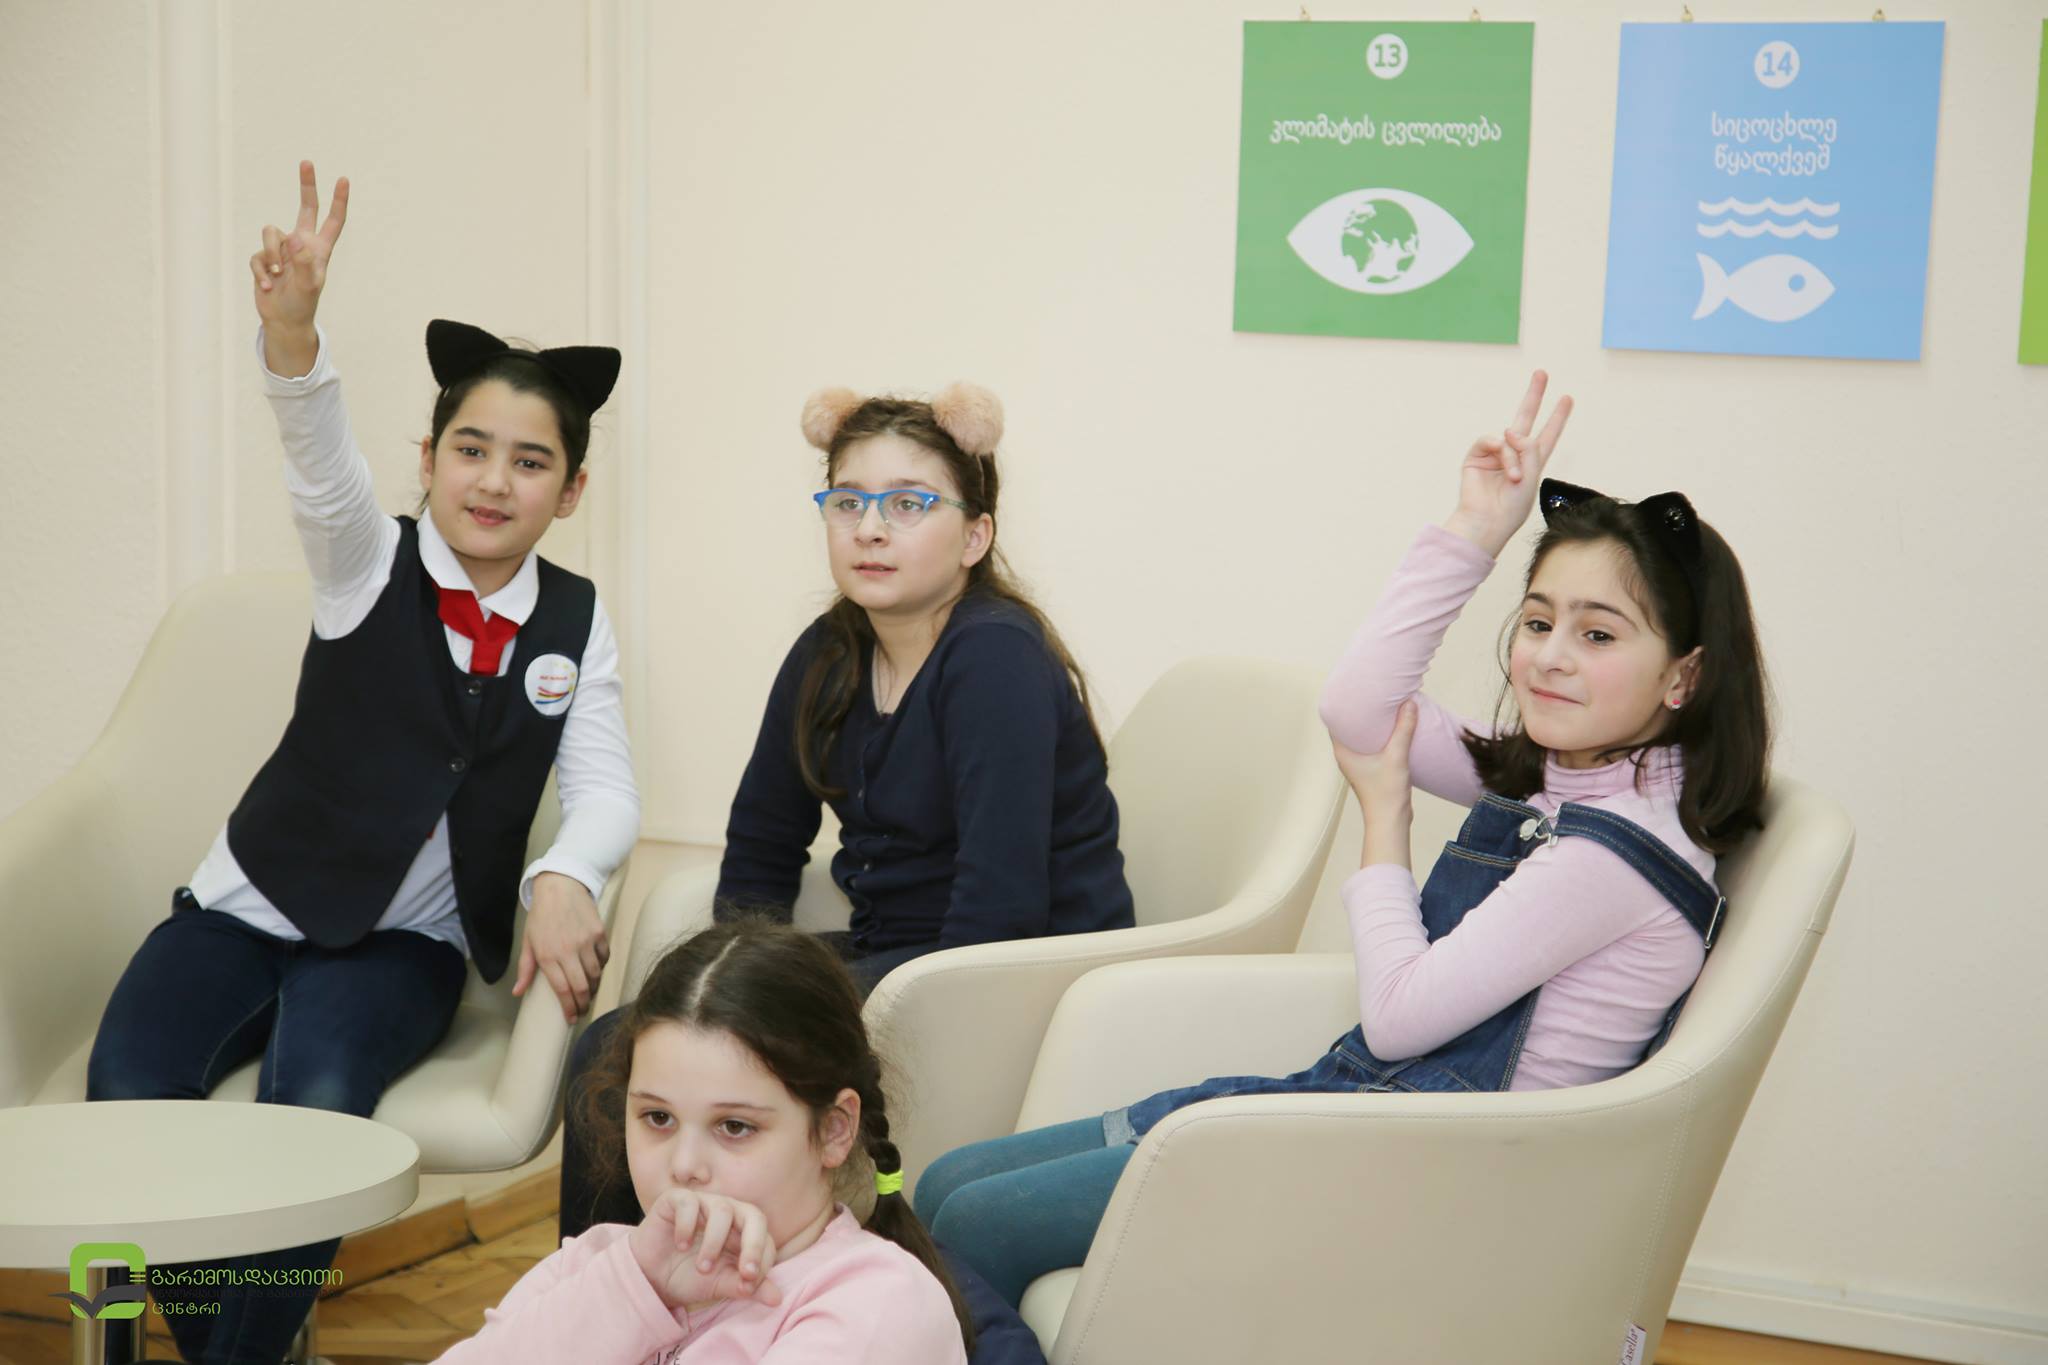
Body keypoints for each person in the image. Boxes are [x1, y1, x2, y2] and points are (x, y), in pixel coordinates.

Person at [914, 372, 1772, 1306]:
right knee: (948, 1181)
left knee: (977, 1220)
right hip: (1365, 1121)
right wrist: (1474, 529)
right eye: (1537, 620)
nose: (1550, 655)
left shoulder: (1608, 856)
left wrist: (1385, 819)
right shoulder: (1562, 780)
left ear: (1683, 678)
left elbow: (1397, 1016)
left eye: (1599, 635)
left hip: (1425, 1182)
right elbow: (1360, 710)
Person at [84, 161, 639, 1363]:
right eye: (470, 449)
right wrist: (293, 336)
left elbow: (603, 789)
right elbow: (318, 460)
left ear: (570, 490)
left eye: (529, 461)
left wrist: (566, 875)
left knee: (320, 1106)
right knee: (126, 1085)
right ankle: (203, 1349)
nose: (493, 480)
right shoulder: (361, 563)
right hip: (250, 903)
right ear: (428, 457)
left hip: (404, 945)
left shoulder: (577, 620)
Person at [560, 383, 1133, 1239]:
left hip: (1011, 972)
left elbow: (1000, 908)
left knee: (725, 1061)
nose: (870, 527)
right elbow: (762, 845)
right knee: (613, 1048)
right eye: (848, 501)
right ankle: (617, 1287)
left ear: (976, 535)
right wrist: (733, 975)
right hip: (894, 956)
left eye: (909, 503)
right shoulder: (830, 649)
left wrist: (768, 1005)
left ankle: (725, 1273)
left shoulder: (995, 658)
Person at [434, 922, 971, 1363]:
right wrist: (635, 1286)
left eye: (735, 1127)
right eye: (657, 1117)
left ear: (833, 1130)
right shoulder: (597, 1261)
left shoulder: (879, 1303)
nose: (684, 1166)